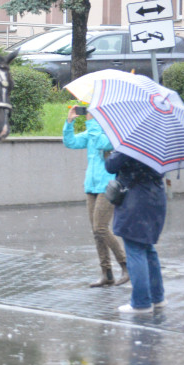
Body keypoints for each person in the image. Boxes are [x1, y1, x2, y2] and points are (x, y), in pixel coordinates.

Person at [63, 106, 128, 287]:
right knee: (96, 231)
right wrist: (69, 122)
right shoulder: (92, 132)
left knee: (100, 228)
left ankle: (125, 265)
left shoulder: (114, 133)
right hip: (91, 186)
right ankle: (106, 273)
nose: (91, 114)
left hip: (108, 186)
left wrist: (91, 122)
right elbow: (70, 142)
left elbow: (102, 143)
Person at [106, 152, 167, 314]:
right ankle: (157, 298)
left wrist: (115, 152)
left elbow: (110, 166)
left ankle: (141, 303)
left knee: (135, 250)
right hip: (155, 198)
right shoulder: (158, 145)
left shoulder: (132, 145)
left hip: (136, 201)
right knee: (147, 249)